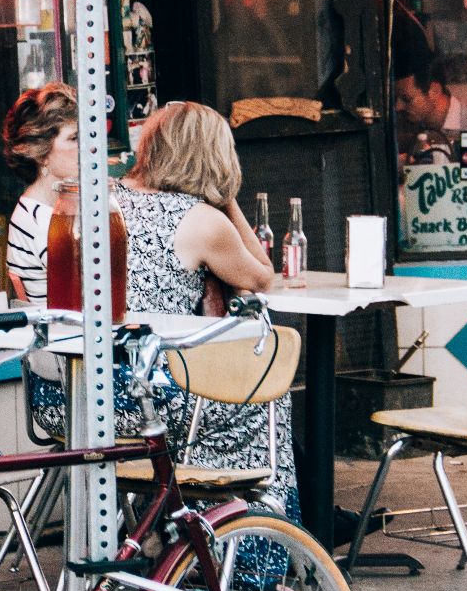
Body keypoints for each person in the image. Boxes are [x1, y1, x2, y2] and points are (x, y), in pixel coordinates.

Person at [28, 101, 299, 523]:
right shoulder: (201, 220)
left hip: (62, 395)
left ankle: (179, 525)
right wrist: (227, 198)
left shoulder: (103, 201)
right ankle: (244, 542)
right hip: (137, 399)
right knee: (262, 395)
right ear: (215, 157)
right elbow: (262, 277)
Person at [0, 83, 79, 302]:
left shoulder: (42, 208)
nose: (88, 147)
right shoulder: (42, 221)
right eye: (74, 138)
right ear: (41, 154)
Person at [394, 54, 467, 164]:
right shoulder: (411, 125)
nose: (398, 107)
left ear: (434, 91)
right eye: (395, 99)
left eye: (406, 99)